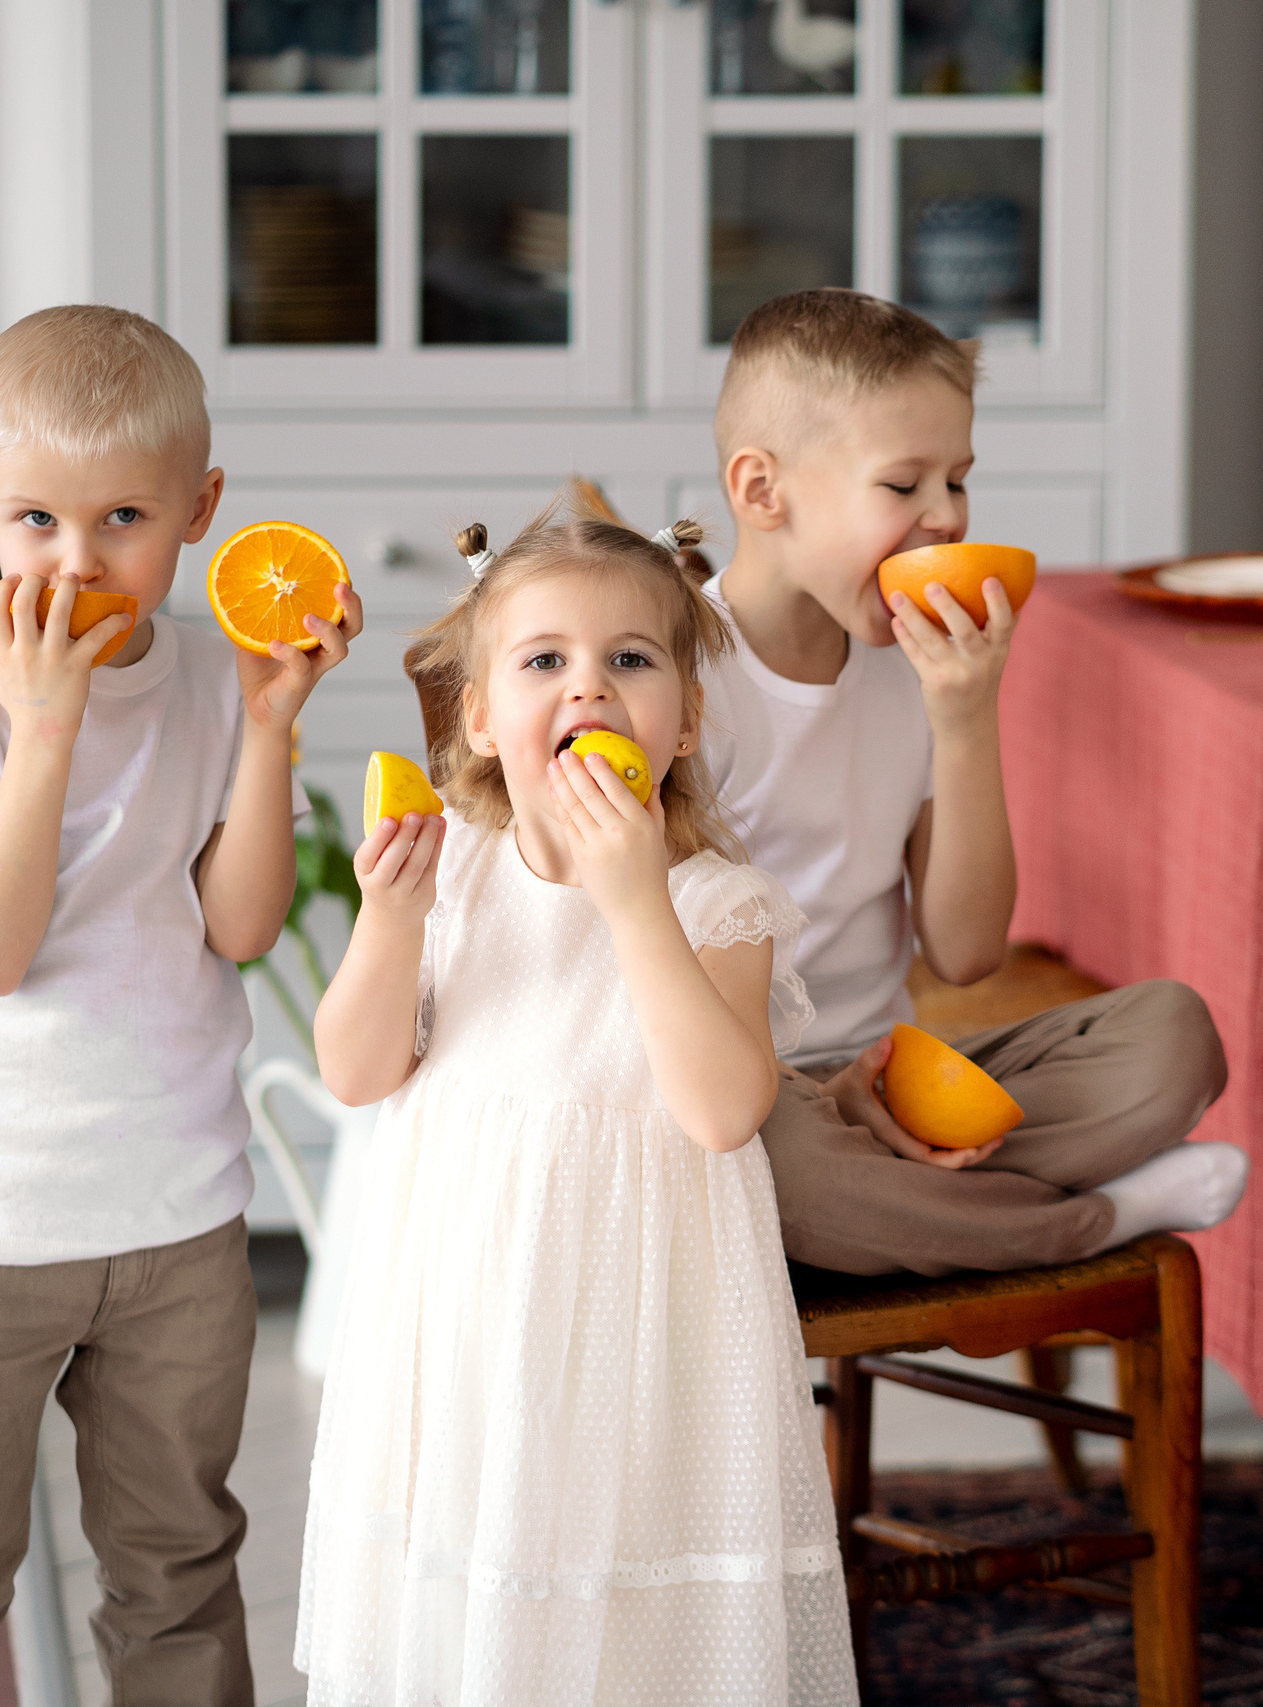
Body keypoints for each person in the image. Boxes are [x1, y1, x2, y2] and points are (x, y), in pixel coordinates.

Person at [0, 305, 357, 1706]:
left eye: (123, 516)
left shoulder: (210, 676)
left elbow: (241, 926)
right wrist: (48, 724)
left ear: (199, 508)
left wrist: (266, 729)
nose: (77, 560)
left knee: (180, 1563)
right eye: (35, 521)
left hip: (177, 1213)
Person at [294, 503, 855, 1706]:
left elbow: (720, 1111)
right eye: (544, 660)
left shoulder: (715, 903)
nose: (588, 688)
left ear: (686, 719)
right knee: (474, 1585)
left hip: (639, 1336)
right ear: (484, 719)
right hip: (465, 1319)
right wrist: (390, 924)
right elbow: (355, 1073)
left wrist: (633, 898)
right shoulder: (449, 870)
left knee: (624, 1605)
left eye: (630, 661)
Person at [703, 288, 1246, 1277]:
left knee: (1172, 1038)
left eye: (957, 481)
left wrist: (963, 716)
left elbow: (963, 953)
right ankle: (1087, 1222)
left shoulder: (909, 672)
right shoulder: (673, 677)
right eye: (903, 484)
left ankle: (914, 1211)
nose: (946, 516)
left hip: (891, 1071)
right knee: (767, 1165)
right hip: (745, 1094)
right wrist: (817, 1100)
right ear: (761, 491)